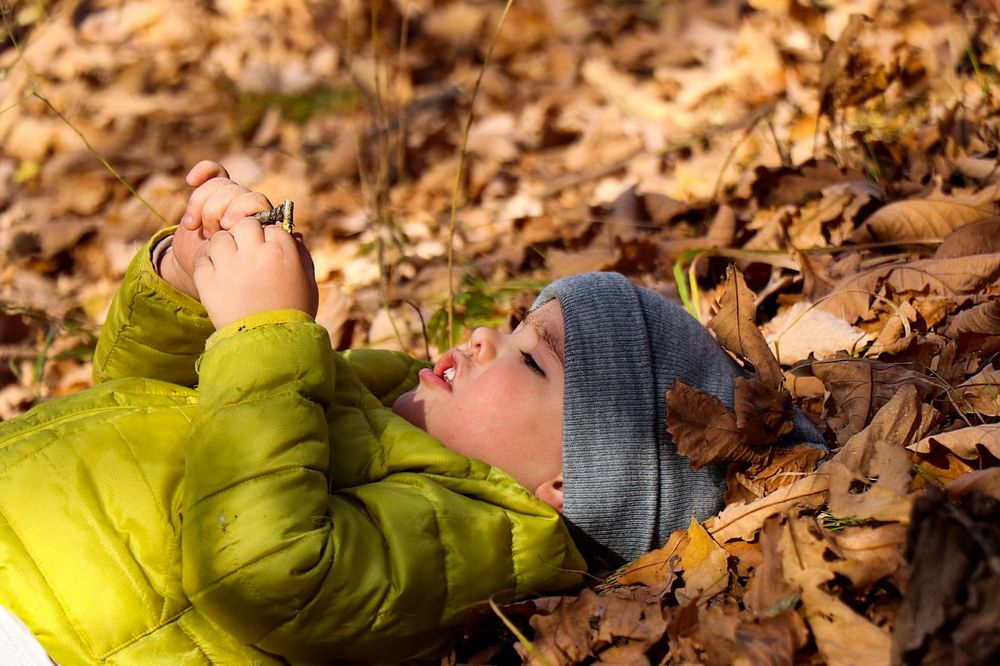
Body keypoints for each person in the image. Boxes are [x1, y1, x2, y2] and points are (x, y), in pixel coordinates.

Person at [0, 162, 821, 663]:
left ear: (566, 486)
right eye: (514, 325)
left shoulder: (475, 542)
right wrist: (186, 280)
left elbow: (259, 573)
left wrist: (265, 332)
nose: (481, 338)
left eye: (533, 358)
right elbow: (140, 407)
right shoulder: (378, 394)